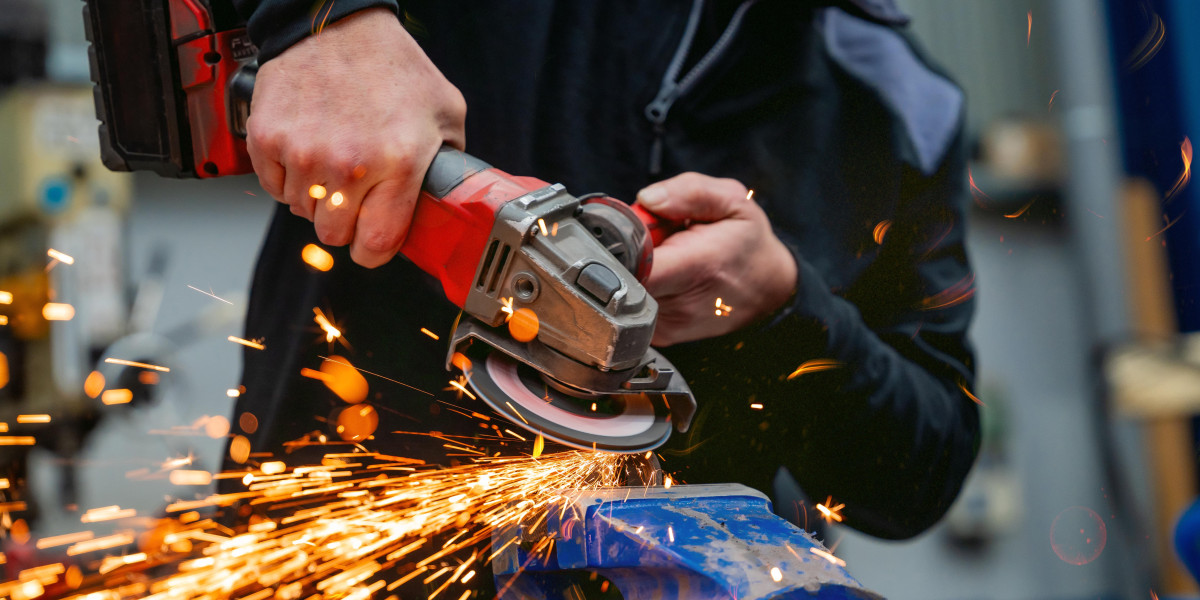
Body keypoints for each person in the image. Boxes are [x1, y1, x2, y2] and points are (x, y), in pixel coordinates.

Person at [230, 0, 978, 561]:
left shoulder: (906, 106)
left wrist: (786, 309)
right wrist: (319, 20)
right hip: (335, 543)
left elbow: (920, 473)